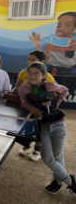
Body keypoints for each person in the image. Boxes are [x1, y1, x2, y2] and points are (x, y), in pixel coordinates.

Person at [18, 62, 76, 195]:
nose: (32, 75)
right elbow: (24, 103)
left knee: (58, 155)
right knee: (47, 158)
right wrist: (32, 108)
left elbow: (65, 90)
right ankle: (70, 181)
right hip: (42, 127)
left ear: (43, 75)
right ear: (26, 74)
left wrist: (58, 102)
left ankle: (57, 182)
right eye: (30, 72)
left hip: (59, 124)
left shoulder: (49, 85)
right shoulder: (23, 89)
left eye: (36, 73)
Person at [15, 50, 55, 161]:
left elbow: (53, 90)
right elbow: (18, 85)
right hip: (28, 107)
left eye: (33, 59)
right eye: (29, 59)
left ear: (42, 62)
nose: (29, 61)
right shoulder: (24, 72)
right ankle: (26, 146)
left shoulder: (47, 76)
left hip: (41, 109)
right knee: (27, 127)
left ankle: (37, 150)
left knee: (40, 129)